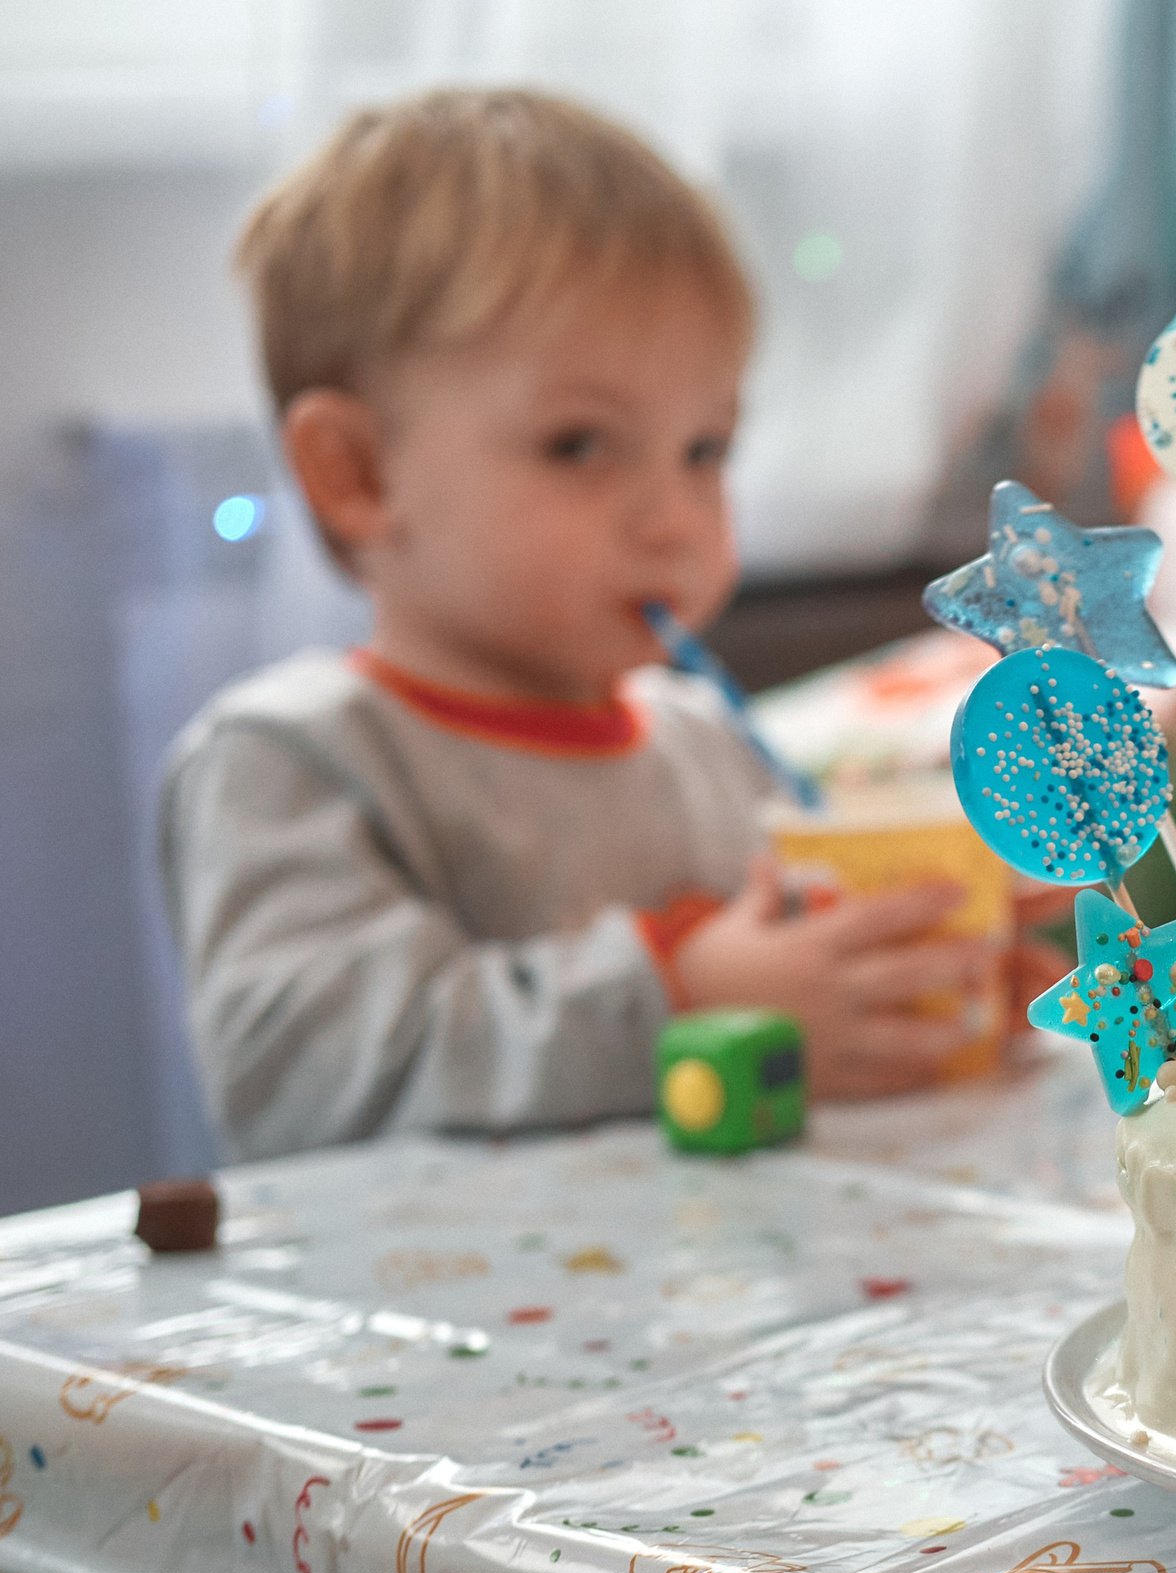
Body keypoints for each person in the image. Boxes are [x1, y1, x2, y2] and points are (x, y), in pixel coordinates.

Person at [159, 89, 988, 1159]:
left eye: (704, 450)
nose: (673, 517)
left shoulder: (706, 741)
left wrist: (906, 982)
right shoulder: (292, 759)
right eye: (580, 446)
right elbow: (300, 1078)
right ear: (357, 473)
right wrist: (680, 1001)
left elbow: (797, 1004)